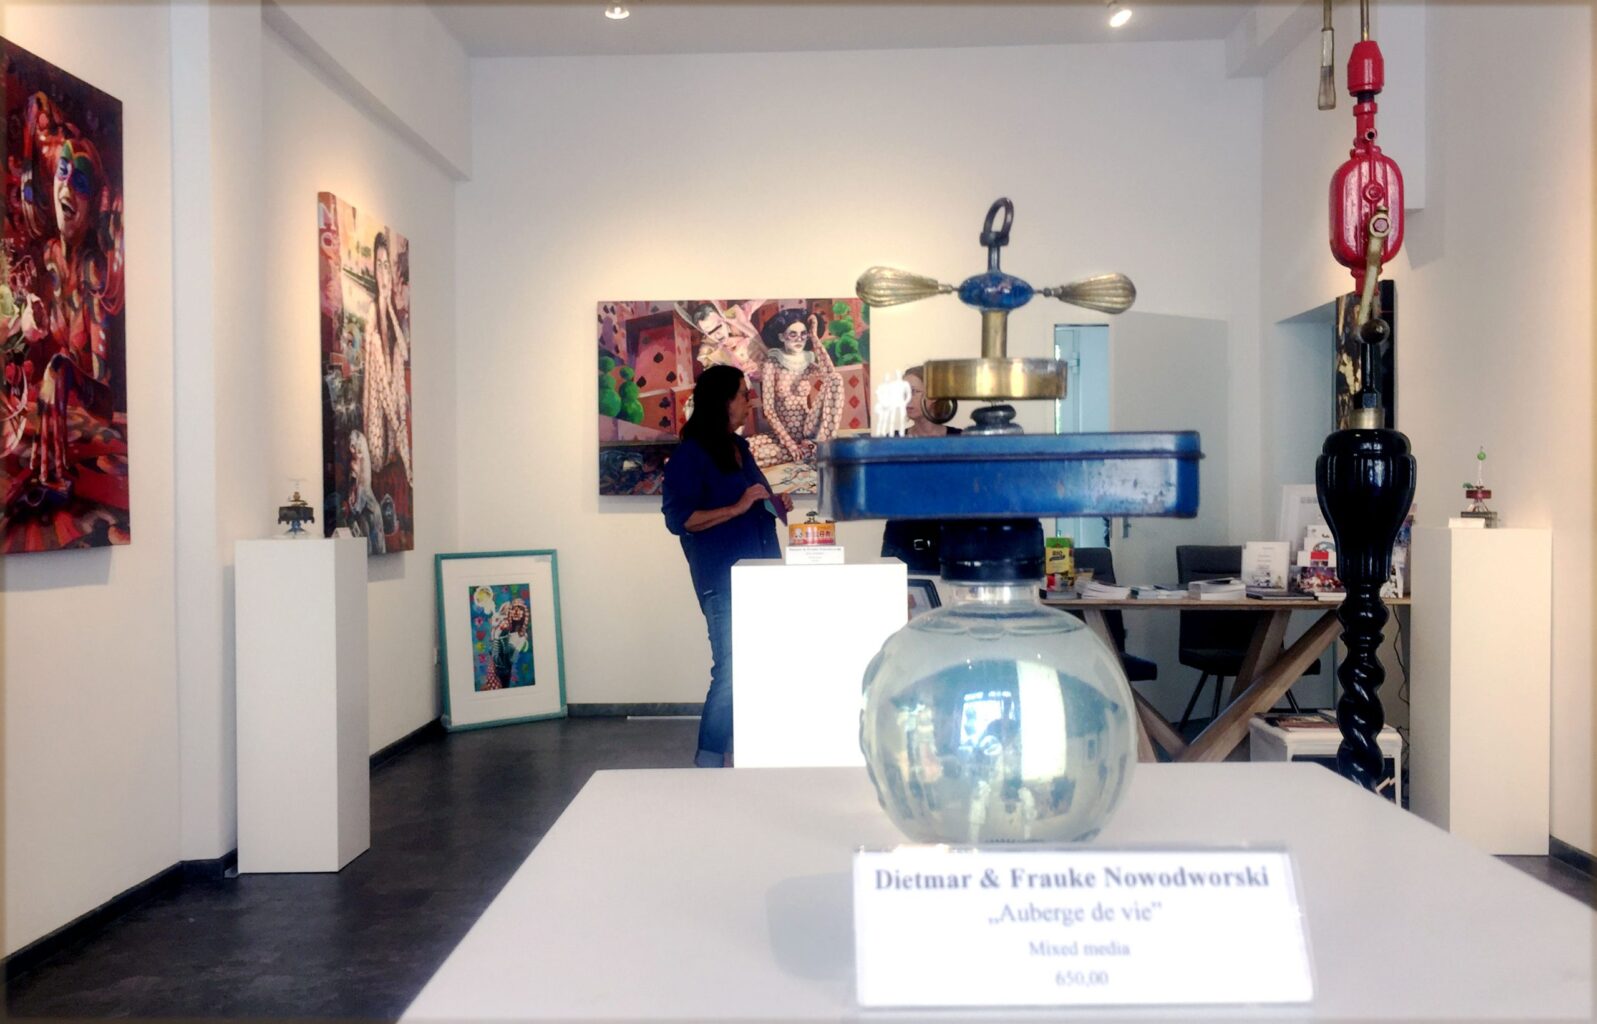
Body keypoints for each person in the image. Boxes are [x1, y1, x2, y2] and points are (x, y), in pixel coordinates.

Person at [662, 365, 791, 767]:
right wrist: (738, 506)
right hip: (723, 579)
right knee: (732, 671)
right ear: (722, 401)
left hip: (760, 576)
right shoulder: (690, 454)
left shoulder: (740, 447)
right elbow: (680, 519)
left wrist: (774, 502)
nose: (750, 401)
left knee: (756, 668)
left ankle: (739, 755)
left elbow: (755, 498)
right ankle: (709, 760)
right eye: (743, 394)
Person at [881, 365, 961, 572]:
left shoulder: (961, 440)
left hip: (952, 545)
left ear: (934, 396)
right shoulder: (893, 442)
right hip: (901, 544)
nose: (906, 399)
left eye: (914, 392)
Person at [748, 307, 844, 468]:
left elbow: (830, 375)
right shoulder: (772, 364)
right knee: (747, 449)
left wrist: (814, 338)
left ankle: (821, 447)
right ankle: (808, 451)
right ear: (781, 337)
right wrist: (790, 445)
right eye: (793, 334)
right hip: (784, 434)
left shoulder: (807, 361)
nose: (799, 339)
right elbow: (769, 411)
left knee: (836, 378)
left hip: (809, 429)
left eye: (803, 334)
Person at [362, 231, 412, 488]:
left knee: (396, 355)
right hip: (380, 421)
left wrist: (390, 308)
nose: (383, 274)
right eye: (378, 266)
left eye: (386, 266)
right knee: (377, 345)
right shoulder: (372, 313)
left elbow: (404, 352)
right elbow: (378, 377)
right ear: (374, 271)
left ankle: (400, 445)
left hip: (394, 426)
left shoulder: (392, 316)